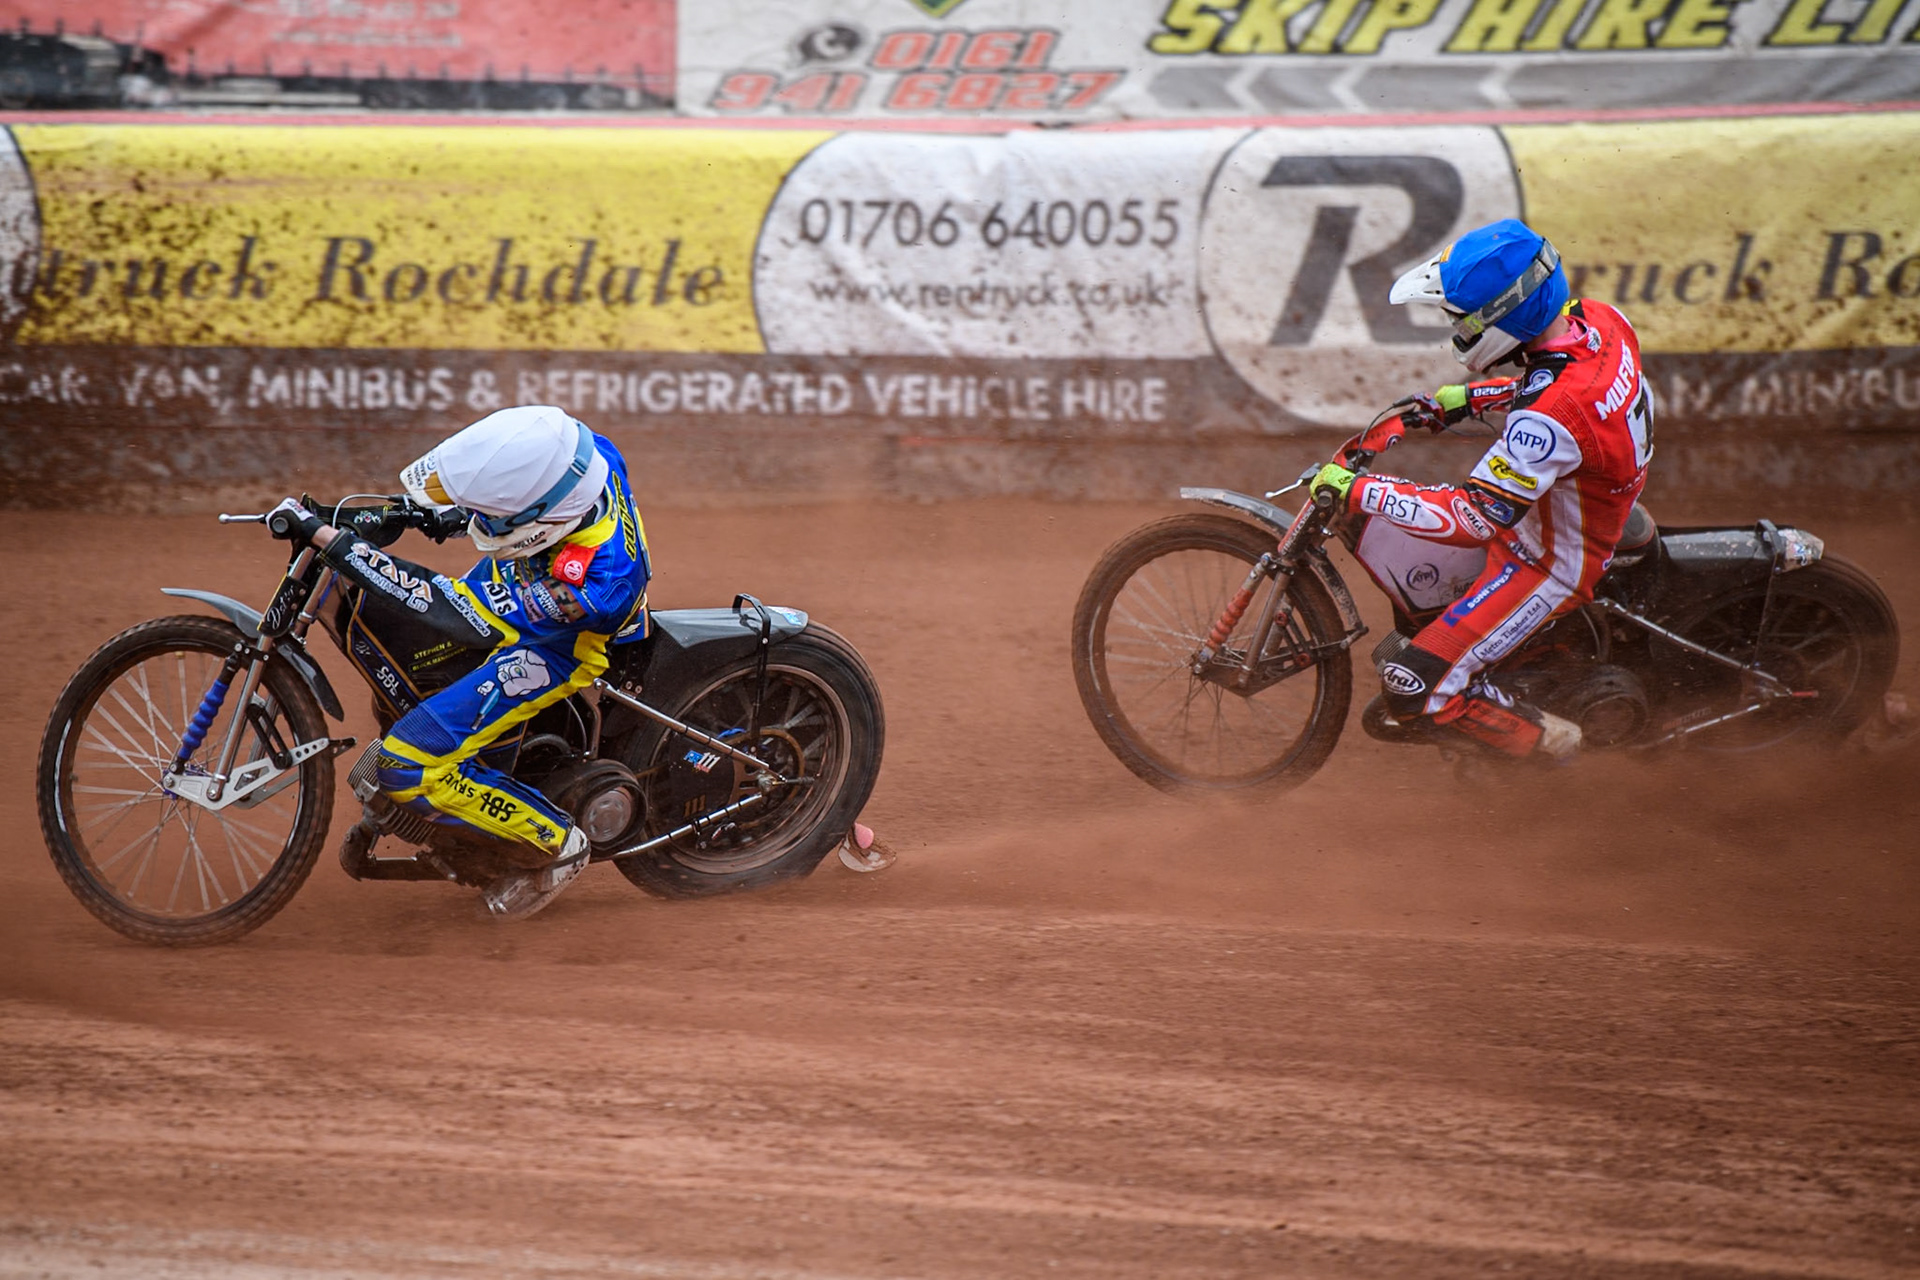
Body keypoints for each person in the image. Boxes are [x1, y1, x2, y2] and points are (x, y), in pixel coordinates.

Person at [268, 404, 652, 918]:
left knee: (406, 765)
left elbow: (446, 607)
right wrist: (417, 512)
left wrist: (339, 545)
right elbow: (511, 491)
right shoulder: (585, 457)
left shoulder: (591, 583)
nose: (484, 522)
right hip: (525, 585)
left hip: (553, 646)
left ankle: (557, 842)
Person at [1309, 218, 1655, 762]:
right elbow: (1559, 380)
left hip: (1548, 562)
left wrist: (1361, 490)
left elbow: (1475, 516)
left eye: (1461, 318)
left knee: (1412, 683)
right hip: (1590, 495)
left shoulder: (1546, 422)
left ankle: (1559, 750)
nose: (1455, 326)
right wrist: (1468, 399)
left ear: (1502, 318)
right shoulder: (1601, 321)